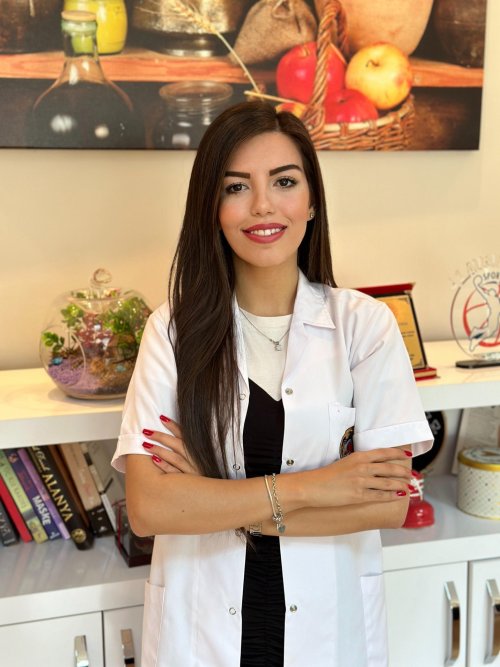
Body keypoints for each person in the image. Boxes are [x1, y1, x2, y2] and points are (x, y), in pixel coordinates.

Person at [112, 100, 433, 667]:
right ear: (212, 208)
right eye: (236, 187)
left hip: (328, 633)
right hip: (202, 634)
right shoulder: (172, 331)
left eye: (284, 181)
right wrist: (318, 486)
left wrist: (214, 498)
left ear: (311, 202)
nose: (262, 205)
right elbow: (149, 508)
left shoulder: (364, 326)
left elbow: (388, 507)